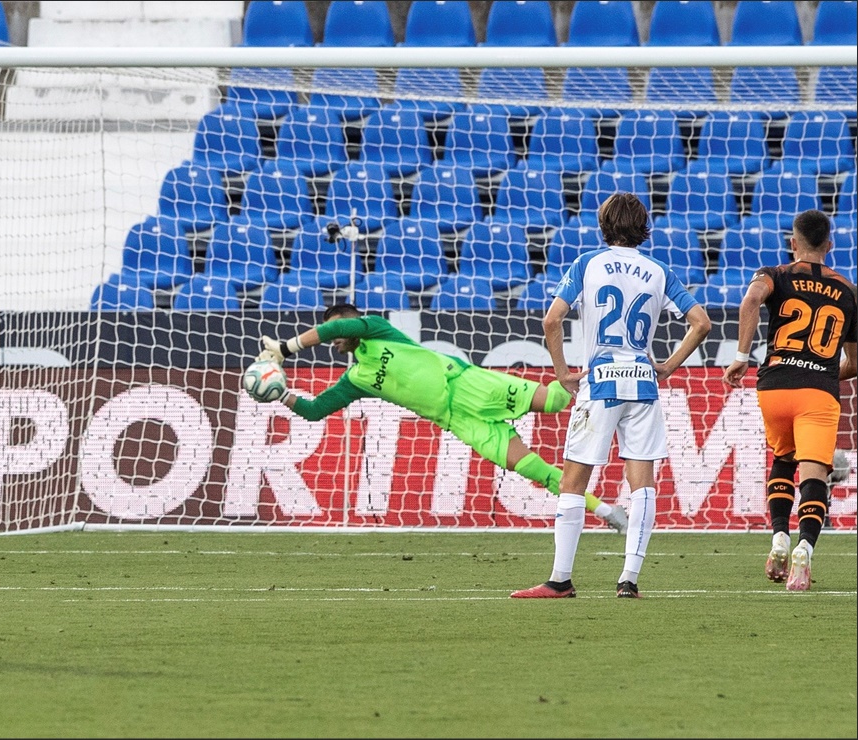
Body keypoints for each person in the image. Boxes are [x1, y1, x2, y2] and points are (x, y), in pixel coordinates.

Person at [252, 306, 630, 532]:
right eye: (330, 334)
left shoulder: (376, 329)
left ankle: (603, 364)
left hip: (468, 384)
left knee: (558, 402)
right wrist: (281, 394)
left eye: (337, 327)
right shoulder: (356, 378)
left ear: (353, 320)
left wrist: (287, 348)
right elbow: (316, 410)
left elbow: (337, 327)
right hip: (459, 421)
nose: (335, 338)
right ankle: (608, 511)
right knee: (533, 470)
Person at [512, 192, 711, 599]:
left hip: (600, 381)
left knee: (574, 479)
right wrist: (669, 365)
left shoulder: (587, 263)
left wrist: (563, 372)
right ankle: (629, 580)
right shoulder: (658, 270)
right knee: (642, 483)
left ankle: (560, 579)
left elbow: (552, 320)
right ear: (643, 228)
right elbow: (701, 322)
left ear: (604, 225)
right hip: (641, 379)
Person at [723, 209, 857, 592]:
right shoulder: (849, 291)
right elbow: (856, 363)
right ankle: (804, 551)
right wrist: (824, 372)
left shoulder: (775, 274)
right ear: (829, 246)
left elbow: (751, 299)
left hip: (775, 388)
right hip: (818, 394)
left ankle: (779, 537)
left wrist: (741, 356)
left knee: (783, 459)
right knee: (815, 475)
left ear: (792, 243)